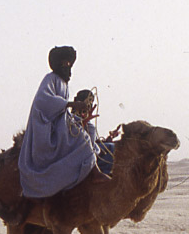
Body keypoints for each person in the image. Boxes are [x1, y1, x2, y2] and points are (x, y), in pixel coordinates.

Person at [18, 46, 104, 199]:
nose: (68, 68)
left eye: (70, 65)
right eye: (65, 64)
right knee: (83, 139)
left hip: (60, 125)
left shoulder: (63, 84)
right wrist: (71, 105)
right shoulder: (50, 79)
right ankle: (95, 173)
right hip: (47, 130)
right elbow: (43, 101)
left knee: (88, 132)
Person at [69, 89, 121, 175]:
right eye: (88, 100)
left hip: (93, 152)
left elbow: (93, 142)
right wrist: (84, 123)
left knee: (115, 147)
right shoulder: (71, 118)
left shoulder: (87, 121)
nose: (89, 104)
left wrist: (109, 138)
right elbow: (74, 138)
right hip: (81, 156)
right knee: (112, 149)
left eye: (91, 101)